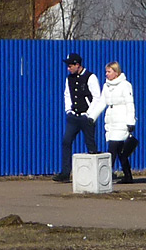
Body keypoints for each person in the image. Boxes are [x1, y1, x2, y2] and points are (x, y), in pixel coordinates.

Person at [52, 52, 102, 182]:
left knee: (90, 145)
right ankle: (65, 172)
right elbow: (67, 94)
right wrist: (68, 110)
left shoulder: (90, 77)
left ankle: (96, 174)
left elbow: (97, 96)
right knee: (66, 141)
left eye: (70, 66)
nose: (68, 68)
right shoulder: (69, 79)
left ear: (77, 64)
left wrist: (89, 114)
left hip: (86, 117)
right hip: (73, 117)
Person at [100, 61, 137, 184]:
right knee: (121, 151)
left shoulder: (125, 85)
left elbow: (129, 104)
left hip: (121, 122)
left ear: (116, 73)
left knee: (112, 150)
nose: (106, 74)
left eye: (109, 72)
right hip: (111, 121)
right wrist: (91, 117)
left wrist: (130, 122)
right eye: (106, 71)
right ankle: (128, 176)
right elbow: (102, 102)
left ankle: (105, 177)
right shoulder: (107, 86)